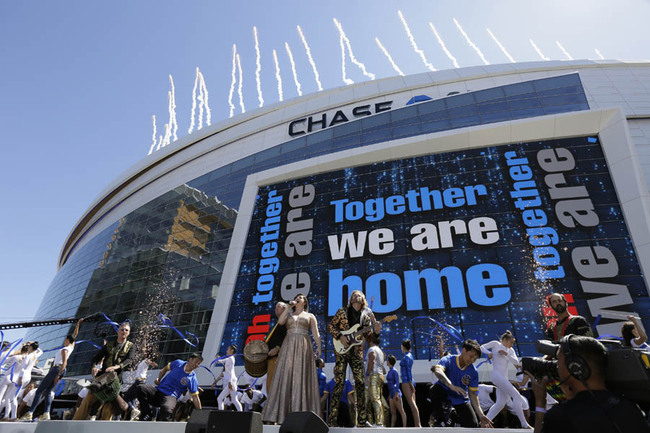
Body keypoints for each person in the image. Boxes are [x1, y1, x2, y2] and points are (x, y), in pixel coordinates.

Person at [529, 335, 650, 433]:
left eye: (559, 361)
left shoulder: (561, 416)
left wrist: (540, 403)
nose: (556, 366)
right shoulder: (630, 408)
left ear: (576, 367)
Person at [262, 294, 321, 424]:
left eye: (301, 297)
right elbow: (280, 322)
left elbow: (316, 333)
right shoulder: (288, 314)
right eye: (297, 297)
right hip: (288, 346)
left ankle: (302, 414)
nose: (298, 298)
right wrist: (288, 307)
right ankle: (279, 415)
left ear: (305, 302)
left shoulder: (310, 316)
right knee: (285, 376)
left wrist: (319, 347)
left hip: (303, 345)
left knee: (302, 377)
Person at [327, 290, 381, 427]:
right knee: (339, 384)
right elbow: (331, 326)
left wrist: (377, 332)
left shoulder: (365, 317)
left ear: (363, 299)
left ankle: (361, 420)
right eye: (354, 294)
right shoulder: (342, 311)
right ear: (351, 299)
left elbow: (369, 338)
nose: (357, 295)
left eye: (359, 294)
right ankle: (332, 419)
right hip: (342, 351)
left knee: (361, 383)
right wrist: (340, 337)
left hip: (357, 353)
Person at [21, 318, 83, 421]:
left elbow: (64, 363)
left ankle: (30, 413)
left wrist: (58, 375)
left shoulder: (64, 350)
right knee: (49, 391)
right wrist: (78, 324)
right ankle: (46, 414)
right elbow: (75, 335)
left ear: (67, 340)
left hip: (57, 369)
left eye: (65, 339)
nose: (64, 341)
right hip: (60, 370)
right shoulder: (71, 347)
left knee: (39, 390)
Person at [73, 320, 136, 420]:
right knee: (87, 401)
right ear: (118, 331)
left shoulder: (131, 346)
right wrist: (94, 366)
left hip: (115, 382)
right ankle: (74, 425)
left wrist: (117, 367)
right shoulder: (109, 345)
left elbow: (130, 360)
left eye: (126, 330)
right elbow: (95, 358)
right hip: (101, 379)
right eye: (122, 329)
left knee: (108, 410)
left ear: (128, 333)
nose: (124, 331)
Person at [430, 339, 493, 428]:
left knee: (472, 425)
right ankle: (441, 419)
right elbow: (438, 370)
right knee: (434, 389)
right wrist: (451, 385)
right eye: (471, 356)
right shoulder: (448, 360)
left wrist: (481, 415)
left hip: (460, 398)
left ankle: (453, 414)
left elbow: (473, 395)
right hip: (445, 393)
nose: (472, 360)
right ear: (464, 350)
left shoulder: (473, 372)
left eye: (475, 359)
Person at [481, 330, 532, 429]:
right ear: (504, 340)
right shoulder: (496, 344)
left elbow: (516, 362)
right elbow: (481, 347)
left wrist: (506, 354)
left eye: (513, 343)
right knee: (516, 396)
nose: (512, 344)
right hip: (497, 376)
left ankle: (484, 423)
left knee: (500, 403)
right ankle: (524, 423)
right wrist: (489, 353)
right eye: (511, 342)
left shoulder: (510, 350)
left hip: (503, 377)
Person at [136, 353, 203, 421]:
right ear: (190, 359)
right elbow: (164, 369)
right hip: (158, 391)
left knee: (167, 409)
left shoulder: (193, 379)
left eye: (199, 363)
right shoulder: (178, 363)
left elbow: (196, 398)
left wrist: (201, 415)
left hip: (170, 396)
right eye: (196, 361)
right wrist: (159, 378)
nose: (197, 365)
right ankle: (146, 414)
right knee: (140, 388)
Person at [265, 302, 288, 388]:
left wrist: (277, 348)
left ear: (285, 309)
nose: (276, 309)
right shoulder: (278, 323)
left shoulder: (286, 321)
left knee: (275, 386)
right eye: (275, 307)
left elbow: (287, 336)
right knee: (270, 385)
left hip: (278, 358)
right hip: (272, 359)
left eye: (279, 307)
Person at [400, 339, 421, 427]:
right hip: (409, 380)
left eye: (401, 346)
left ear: (404, 347)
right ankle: (417, 424)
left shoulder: (406, 357)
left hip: (407, 381)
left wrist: (410, 383)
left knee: (412, 404)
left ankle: (418, 424)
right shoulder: (410, 356)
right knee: (413, 404)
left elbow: (408, 371)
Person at [365, 333, 386, 427]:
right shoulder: (380, 351)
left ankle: (379, 423)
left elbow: (372, 360)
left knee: (375, 399)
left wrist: (367, 374)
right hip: (381, 376)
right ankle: (379, 422)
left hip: (374, 375)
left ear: (371, 340)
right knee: (379, 399)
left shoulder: (372, 349)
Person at [215, 345, 243, 411]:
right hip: (232, 381)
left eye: (228, 349)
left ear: (231, 351)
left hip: (231, 381)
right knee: (234, 400)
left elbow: (230, 372)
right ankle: (241, 413)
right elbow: (220, 361)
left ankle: (220, 413)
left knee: (220, 398)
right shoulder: (230, 358)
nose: (226, 351)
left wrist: (230, 382)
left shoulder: (231, 359)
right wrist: (217, 358)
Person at [386, 354, 407, 427]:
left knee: (401, 411)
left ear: (389, 361)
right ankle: (392, 427)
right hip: (391, 392)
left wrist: (396, 393)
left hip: (395, 392)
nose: (386, 361)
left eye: (387, 360)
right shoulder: (389, 371)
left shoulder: (395, 371)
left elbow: (397, 382)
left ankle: (404, 427)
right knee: (393, 412)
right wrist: (390, 394)